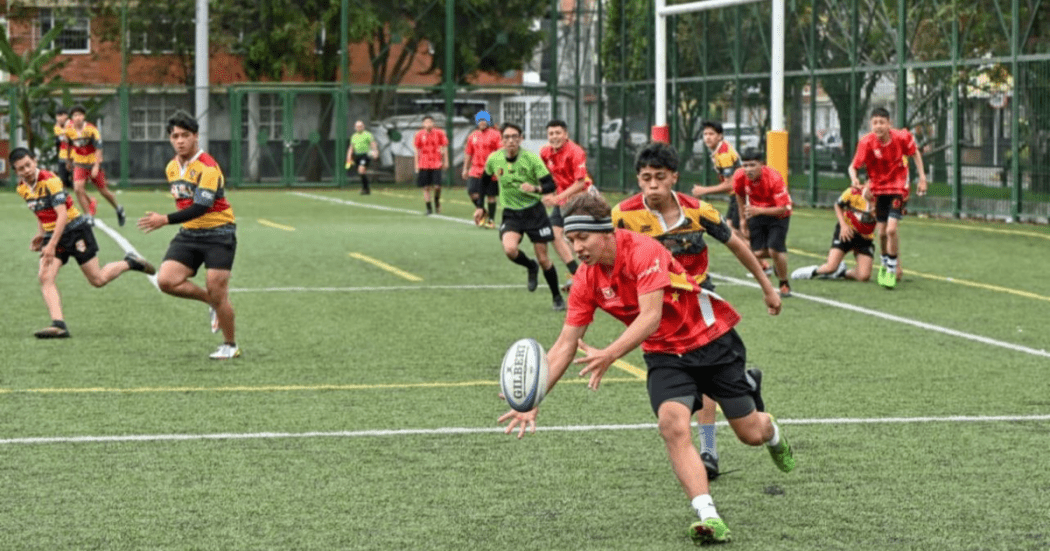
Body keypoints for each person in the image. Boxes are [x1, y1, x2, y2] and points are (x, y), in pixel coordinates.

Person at [498, 193, 795, 545]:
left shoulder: (643, 251)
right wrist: (535, 395)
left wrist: (610, 353)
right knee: (671, 424)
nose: (576, 247)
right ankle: (708, 515)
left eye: (582, 238)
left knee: (751, 434)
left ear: (606, 232)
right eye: (571, 239)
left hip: (711, 341)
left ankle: (771, 429)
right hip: (665, 354)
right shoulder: (586, 280)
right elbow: (565, 344)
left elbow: (650, 316)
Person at [612, 141, 781, 480]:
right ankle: (742, 390)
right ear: (639, 179)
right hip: (659, 309)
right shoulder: (623, 215)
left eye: (660, 177)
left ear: (674, 177)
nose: (653, 185)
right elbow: (612, 261)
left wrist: (767, 287)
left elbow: (736, 244)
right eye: (646, 178)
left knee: (704, 379)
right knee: (683, 389)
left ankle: (708, 450)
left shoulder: (698, 211)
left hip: (701, 304)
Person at [11, 147, 154, 339]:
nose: (26, 170)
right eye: (21, 168)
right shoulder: (22, 188)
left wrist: (51, 245)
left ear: (35, 161)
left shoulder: (50, 181)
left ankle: (130, 262)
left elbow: (62, 215)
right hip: (54, 235)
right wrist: (41, 235)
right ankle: (59, 325)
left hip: (74, 230)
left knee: (97, 280)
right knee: (45, 276)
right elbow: (40, 212)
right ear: (16, 172)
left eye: (28, 165)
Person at [136, 111, 240, 360]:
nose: (180, 140)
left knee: (217, 289)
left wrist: (164, 219)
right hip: (190, 234)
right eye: (175, 136)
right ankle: (212, 304)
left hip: (219, 234)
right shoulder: (172, 167)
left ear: (196, 136)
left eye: (185, 135)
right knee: (166, 281)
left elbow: (201, 207)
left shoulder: (208, 166)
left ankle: (230, 345)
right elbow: (186, 206)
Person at [480, 122, 564, 310]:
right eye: (507, 137)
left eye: (514, 137)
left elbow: (551, 185)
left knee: (544, 259)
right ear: (501, 140)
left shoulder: (532, 159)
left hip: (535, 212)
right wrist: (480, 206)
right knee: (510, 249)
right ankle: (530, 266)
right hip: (511, 213)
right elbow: (484, 181)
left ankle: (557, 297)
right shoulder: (494, 159)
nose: (510, 141)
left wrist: (535, 188)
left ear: (521, 139)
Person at [848, 107, 927, 289]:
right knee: (882, 233)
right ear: (871, 124)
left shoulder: (901, 137)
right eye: (875, 122)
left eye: (882, 122)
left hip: (899, 186)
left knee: (891, 230)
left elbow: (914, 152)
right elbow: (853, 167)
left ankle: (891, 269)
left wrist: (922, 177)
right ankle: (886, 263)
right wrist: (854, 179)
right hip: (878, 189)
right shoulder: (866, 142)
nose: (878, 126)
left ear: (889, 124)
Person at [539, 119, 594, 289]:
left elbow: (579, 183)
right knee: (554, 234)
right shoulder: (545, 152)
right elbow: (547, 179)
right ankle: (577, 274)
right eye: (551, 133)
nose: (554, 136)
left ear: (566, 134)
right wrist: (546, 193)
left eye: (558, 133)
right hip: (563, 199)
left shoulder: (576, 152)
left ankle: (593, 275)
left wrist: (556, 198)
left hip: (581, 198)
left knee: (580, 238)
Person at [733, 149, 793, 297]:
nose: (748, 169)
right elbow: (739, 195)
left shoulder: (774, 178)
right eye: (745, 165)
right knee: (757, 252)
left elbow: (782, 208)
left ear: (762, 164)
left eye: (752, 165)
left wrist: (758, 211)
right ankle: (779, 259)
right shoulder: (740, 176)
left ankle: (784, 283)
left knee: (774, 250)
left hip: (779, 215)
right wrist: (742, 220)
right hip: (756, 212)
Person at [791, 184, 877, 282]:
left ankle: (842, 272)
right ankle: (812, 272)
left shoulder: (882, 199)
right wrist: (843, 226)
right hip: (846, 232)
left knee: (864, 276)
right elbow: (838, 204)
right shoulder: (854, 192)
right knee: (830, 267)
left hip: (864, 238)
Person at [65, 104, 125, 226]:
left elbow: (99, 148)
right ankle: (88, 215)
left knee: (103, 191)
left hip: (92, 163)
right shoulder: (69, 130)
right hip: (79, 164)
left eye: (80, 115)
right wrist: (68, 160)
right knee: (77, 188)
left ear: (84, 116)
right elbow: (69, 145)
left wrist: (96, 165)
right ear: (72, 118)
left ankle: (118, 208)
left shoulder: (91, 129)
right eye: (75, 115)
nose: (78, 118)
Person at [463, 110, 502, 228]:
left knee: (491, 195)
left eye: (485, 120)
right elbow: (468, 153)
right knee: (472, 192)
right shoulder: (472, 136)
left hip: (490, 171)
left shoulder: (496, 134)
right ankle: (482, 211)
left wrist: (499, 168)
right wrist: (466, 168)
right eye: (480, 120)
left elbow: (500, 152)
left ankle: (491, 220)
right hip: (475, 170)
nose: (482, 122)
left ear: (489, 121)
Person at [413, 115, 449, 215]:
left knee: (437, 186)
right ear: (423, 124)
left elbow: (444, 147)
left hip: (436, 163)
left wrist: (446, 161)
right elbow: (417, 150)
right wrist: (416, 165)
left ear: (433, 123)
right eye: (426, 122)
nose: (428, 124)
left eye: (430, 122)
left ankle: (437, 201)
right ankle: (428, 208)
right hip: (424, 164)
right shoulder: (419, 134)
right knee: (426, 187)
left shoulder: (440, 133)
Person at [345, 120, 378, 195]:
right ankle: (365, 188)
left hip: (366, 155)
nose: (359, 128)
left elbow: (373, 144)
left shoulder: (368, 134)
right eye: (357, 126)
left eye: (360, 126)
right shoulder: (354, 136)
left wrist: (375, 152)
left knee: (361, 170)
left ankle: (366, 189)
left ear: (363, 126)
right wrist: (348, 157)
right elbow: (351, 148)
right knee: (361, 172)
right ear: (355, 127)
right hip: (357, 156)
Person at [53, 107, 76, 190]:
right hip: (62, 154)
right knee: (63, 178)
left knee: (76, 178)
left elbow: (69, 137)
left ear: (66, 115)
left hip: (74, 154)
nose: (58, 118)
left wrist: (64, 133)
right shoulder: (56, 126)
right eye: (57, 116)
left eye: (60, 115)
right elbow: (62, 136)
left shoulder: (73, 124)